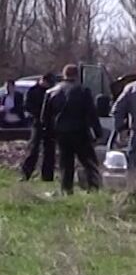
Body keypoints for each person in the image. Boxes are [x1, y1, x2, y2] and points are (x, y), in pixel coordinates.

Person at [40, 64, 104, 195]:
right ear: (76, 75)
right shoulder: (83, 91)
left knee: (66, 162)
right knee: (89, 161)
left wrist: (49, 133)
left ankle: (66, 189)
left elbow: (45, 117)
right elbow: (92, 113)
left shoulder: (51, 92)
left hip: (62, 133)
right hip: (80, 131)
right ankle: (94, 187)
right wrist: (98, 132)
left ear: (64, 75)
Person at [18, 73, 57, 182]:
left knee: (49, 150)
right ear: (42, 80)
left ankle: (48, 176)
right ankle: (26, 173)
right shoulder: (33, 91)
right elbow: (27, 106)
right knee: (33, 149)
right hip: (37, 122)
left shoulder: (52, 91)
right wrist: (37, 115)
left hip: (50, 124)